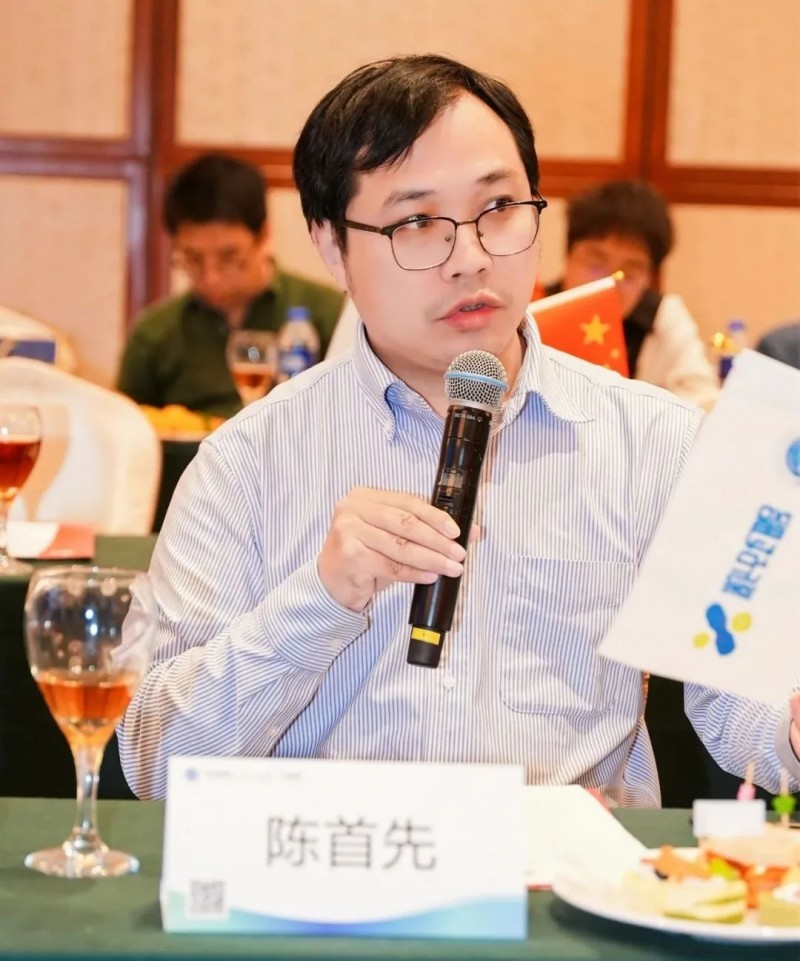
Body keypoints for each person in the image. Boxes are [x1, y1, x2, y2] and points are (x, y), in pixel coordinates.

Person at [118, 55, 800, 804]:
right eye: (416, 222)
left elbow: (746, 711)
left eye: (499, 207)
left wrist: (792, 727)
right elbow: (155, 760)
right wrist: (318, 598)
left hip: (566, 871)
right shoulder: (248, 460)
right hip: (329, 863)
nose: (470, 258)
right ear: (331, 246)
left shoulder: (656, 442)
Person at [117, 153, 344, 418]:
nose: (211, 277)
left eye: (228, 257)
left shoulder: (328, 313)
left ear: (263, 235)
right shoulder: (155, 333)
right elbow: (124, 428)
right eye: (192, 258)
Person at [543, 180, 719, 411]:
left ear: (650, 277)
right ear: (568, 257)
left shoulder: (662, 316)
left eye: (631, 271)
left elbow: (702, 401)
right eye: (596, 263)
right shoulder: (534, 309)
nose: (611, 281)